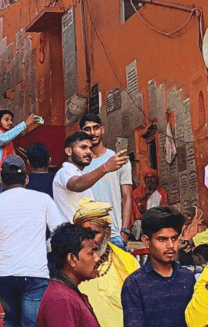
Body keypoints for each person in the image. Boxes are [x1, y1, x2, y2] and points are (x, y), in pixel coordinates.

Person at [0, 155, 64, 327]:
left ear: (1, 180)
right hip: (35, 273)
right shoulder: (43, 200)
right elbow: (60, 235)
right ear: (27, 179)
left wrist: (0, 255)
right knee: (32, 323)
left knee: (11, 320)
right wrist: (43, 248)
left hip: (4, 274)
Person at [121, 206, 195, 327]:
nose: (170, 245)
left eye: (175, 238)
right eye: (162, 239)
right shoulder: (134, 284)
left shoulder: (188, 277)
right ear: (146, 241)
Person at [74, 197, 139, 327]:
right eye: (85, 234)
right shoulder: (72, 264)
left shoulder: (126, 262)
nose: (90, 240)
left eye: (95, 233)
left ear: (108, 233)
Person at [80, 114, 133, 249]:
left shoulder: (119, 159)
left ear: (102, 129)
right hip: (88, 235)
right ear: (81, 132)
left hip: (115, 235)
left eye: (96, 128)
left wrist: (125, 231)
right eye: (87, 129)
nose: (92, 133)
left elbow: (127, 196)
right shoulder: (79, 164)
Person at [53, 132, 128, 223]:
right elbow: (76, 184)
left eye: (90, 148)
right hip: (71, 234)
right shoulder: (65, 171)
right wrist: (105, 167)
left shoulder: (78, 172)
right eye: (83, 147)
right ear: (69, 151)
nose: (89, 152)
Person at [37, 222, 102, 327]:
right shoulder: (60, 299)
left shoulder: (66, 294)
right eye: (91, 253)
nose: (97, 258)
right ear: (72, 259)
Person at [0, 109, 36, 195]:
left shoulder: (7, 137)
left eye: (11, 120)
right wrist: (24, 124)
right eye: (6, 120)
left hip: (9, 180)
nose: (10, 122)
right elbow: (5, 138)